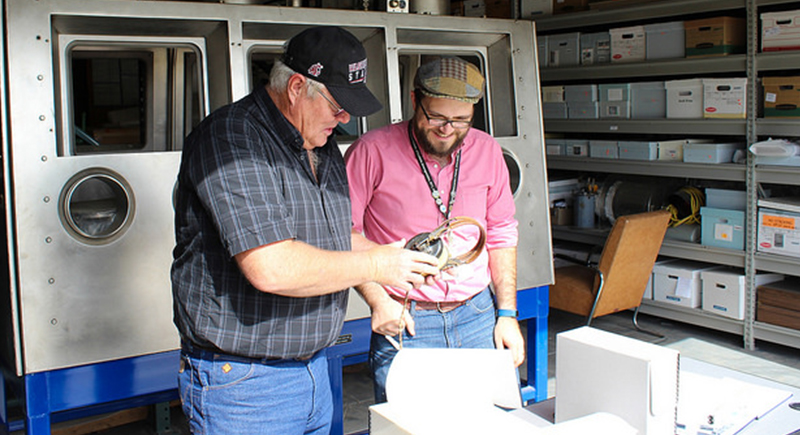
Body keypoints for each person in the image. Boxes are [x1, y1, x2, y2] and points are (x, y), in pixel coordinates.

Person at [171, 26, 439, 435]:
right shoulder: (232, 138)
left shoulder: (320, 142)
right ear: (296, 86)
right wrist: (379, 263)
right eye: (337, 105)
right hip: (246, 385)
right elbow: (271, 267)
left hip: (314, 370)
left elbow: (339, 237)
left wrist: (382, 290)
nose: (345, 117)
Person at [345, 55, 526, 403]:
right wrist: (378, 300)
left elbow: (502, 233)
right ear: (415, 101)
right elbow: (343, 235)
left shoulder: (487, 151)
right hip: (406, 319)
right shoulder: (371, 152)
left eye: (461, 121)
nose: (447, 129)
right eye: (436, 117)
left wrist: (507, 315)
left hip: (479, 316)